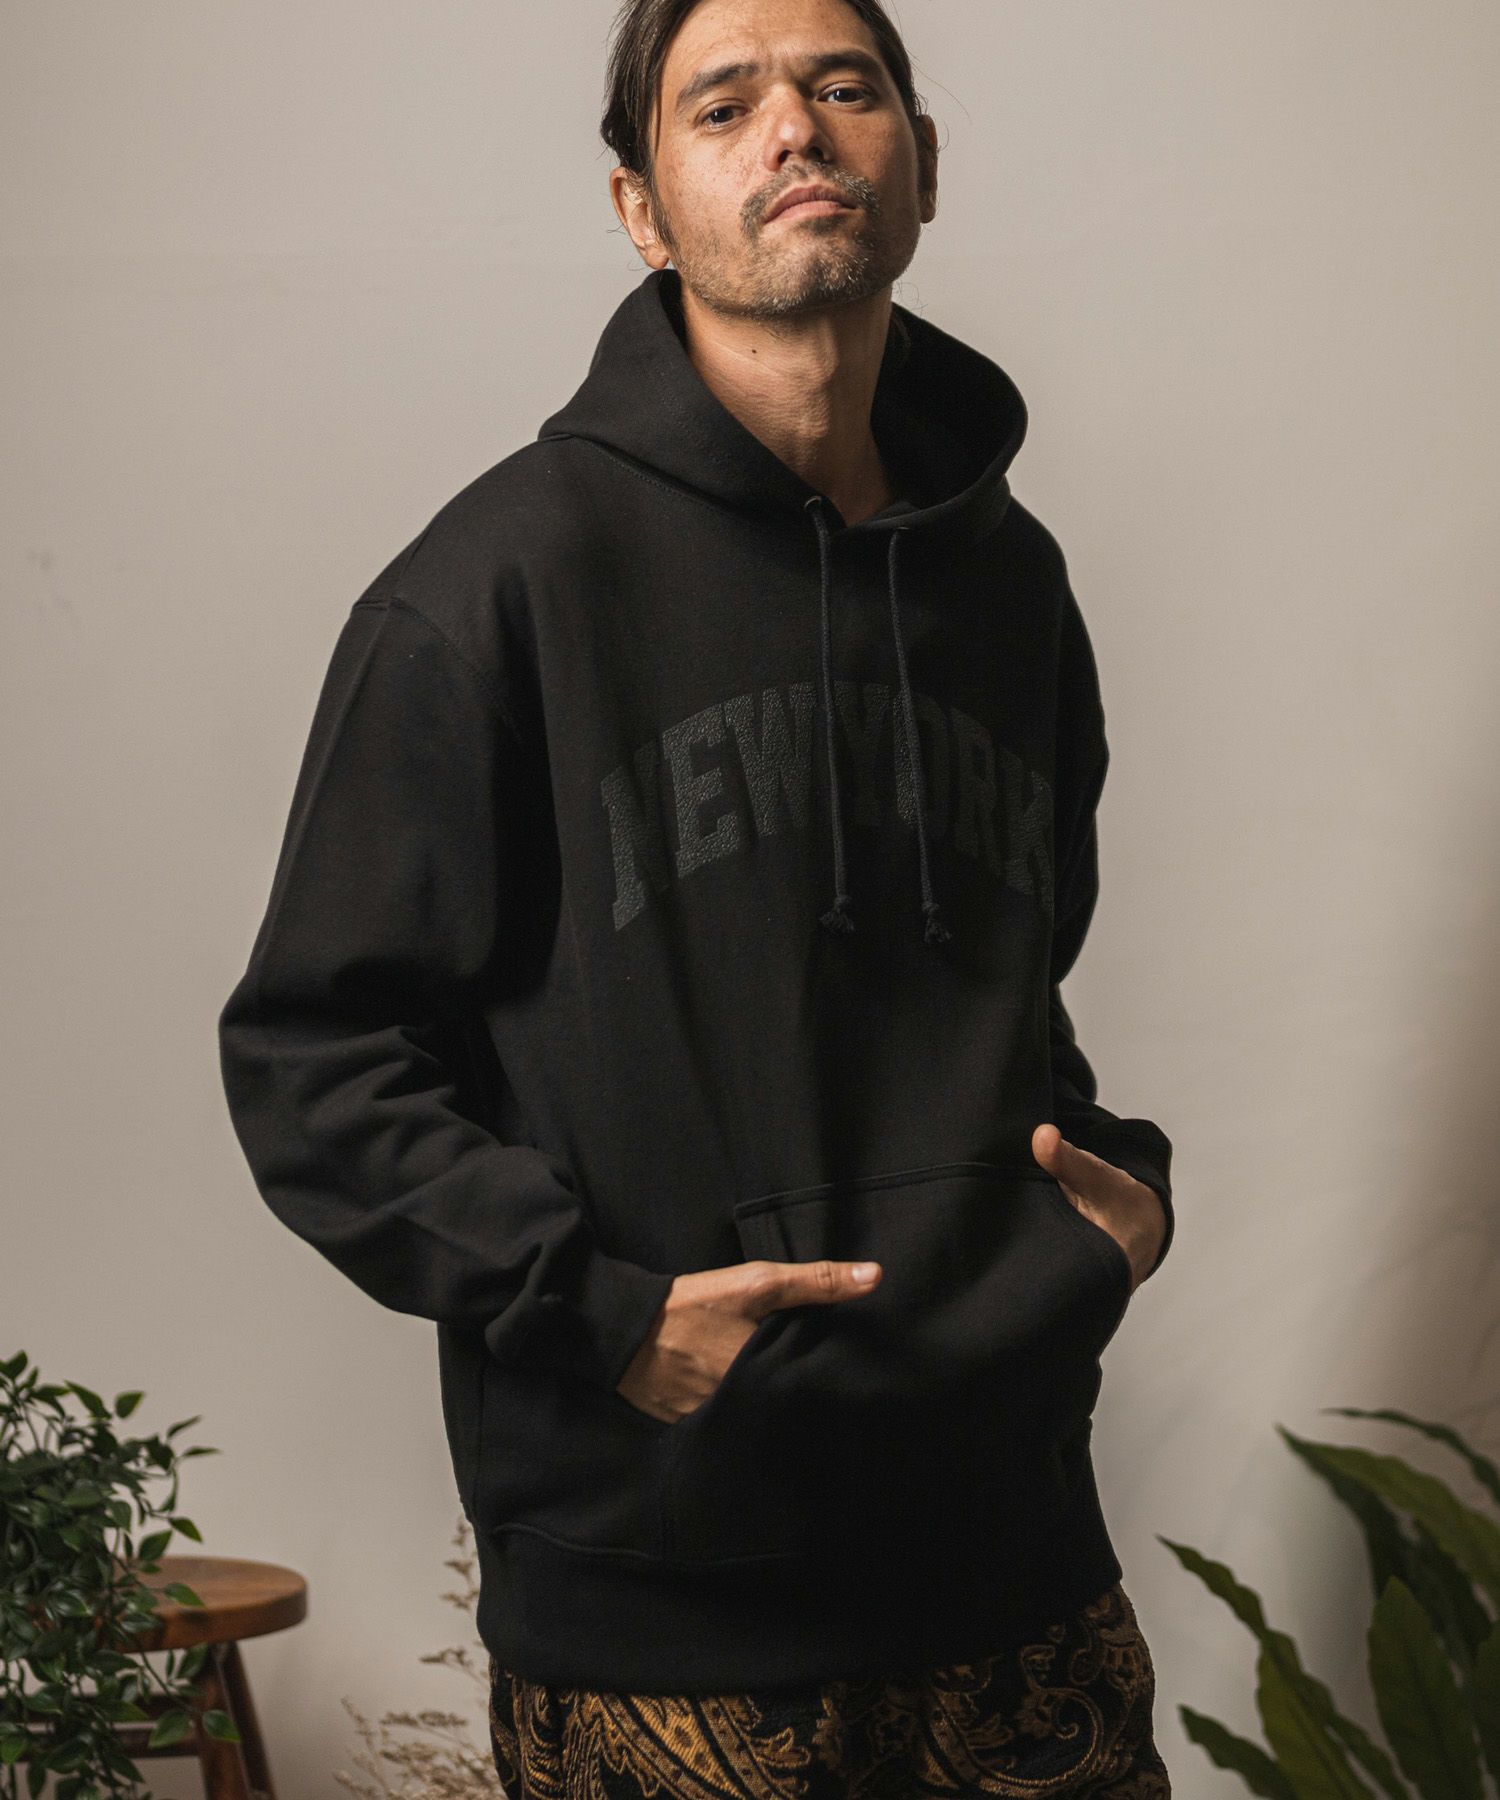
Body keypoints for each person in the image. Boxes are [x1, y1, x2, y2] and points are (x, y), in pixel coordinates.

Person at [217, 0, 1177, 1790]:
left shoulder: (1010, 582)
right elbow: (310, 1061)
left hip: (1015, 1556)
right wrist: (601, 1313)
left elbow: (1015, 978)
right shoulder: (493, 586)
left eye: (844, 86)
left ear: (921, 163)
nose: (796, 129)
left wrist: (1105, 1221)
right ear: (642, 209)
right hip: (663, 1600)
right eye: (723, 105)